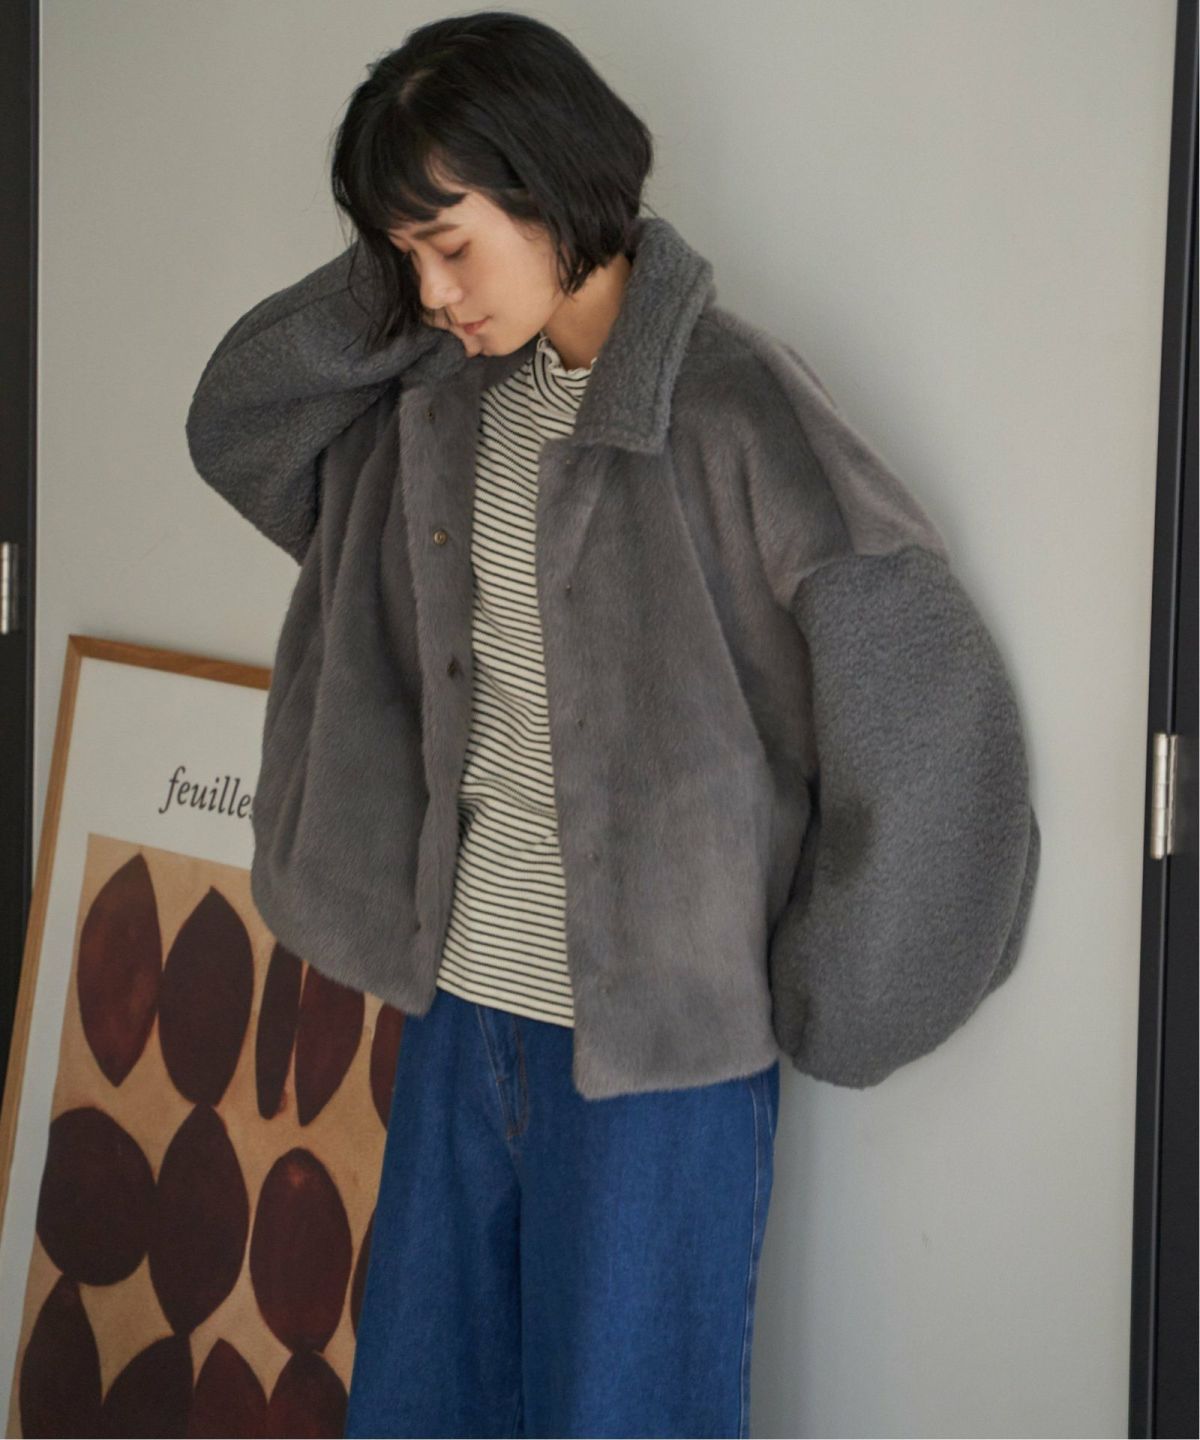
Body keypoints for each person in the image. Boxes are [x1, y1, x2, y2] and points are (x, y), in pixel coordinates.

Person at [185, 11, 1040, 1438]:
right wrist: (400, 262)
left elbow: (919, 682)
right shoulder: (436, 407)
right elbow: (239, 425)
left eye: (450, 244)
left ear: (550, 184)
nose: (434, 291)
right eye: (402, 258)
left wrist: (838, 988)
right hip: (459, 1012)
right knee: (417, 1411)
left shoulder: (732, 405)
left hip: (659, 1065)